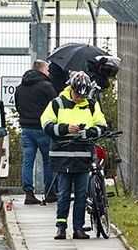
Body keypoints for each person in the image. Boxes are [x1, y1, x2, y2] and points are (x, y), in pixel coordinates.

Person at [41, 71, 107, 240]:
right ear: (71, 89)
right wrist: (64, 128)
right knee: (63, 194)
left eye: (83, 96)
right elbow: (46, 124)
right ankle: (61, 227)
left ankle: (78, 228)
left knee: (81, 195)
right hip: (63, 155)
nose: (80, 98)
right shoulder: (57, 103)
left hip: (83, 155)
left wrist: (89, 132)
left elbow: (101, 124)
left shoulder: (91, 105)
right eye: (78, 95)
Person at [14, 59, 57, 205]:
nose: (48, 72)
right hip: (43, 129)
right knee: (48, 162)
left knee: (27, 162)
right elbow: (55, 106)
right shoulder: (46, 86)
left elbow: (18, 106)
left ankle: (28, 193)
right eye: (47, 70)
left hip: (26, 129)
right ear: (42, 70)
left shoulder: (20, 87)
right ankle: (50, 192)